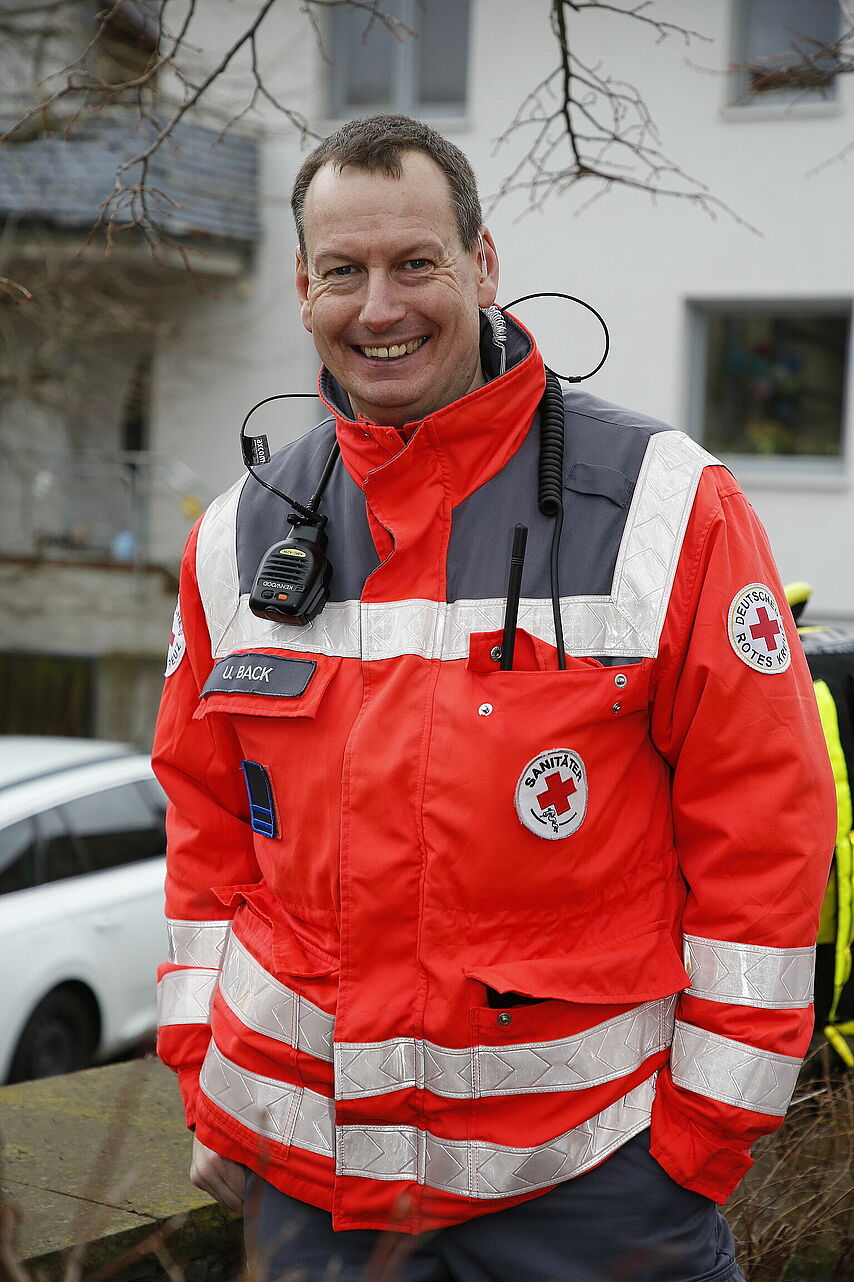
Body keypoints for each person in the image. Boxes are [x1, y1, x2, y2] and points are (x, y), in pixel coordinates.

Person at [153, 114, 837, 1282]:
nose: (379, 306)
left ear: (481, 265)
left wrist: (702, 1133)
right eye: (343, 271)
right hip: (308, 1176)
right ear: (303, 290)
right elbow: (206, 828)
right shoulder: (237, 535)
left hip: (591, 1180)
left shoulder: (664, 505)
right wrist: (204, 1075)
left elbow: (762, 825)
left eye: (414, 263)